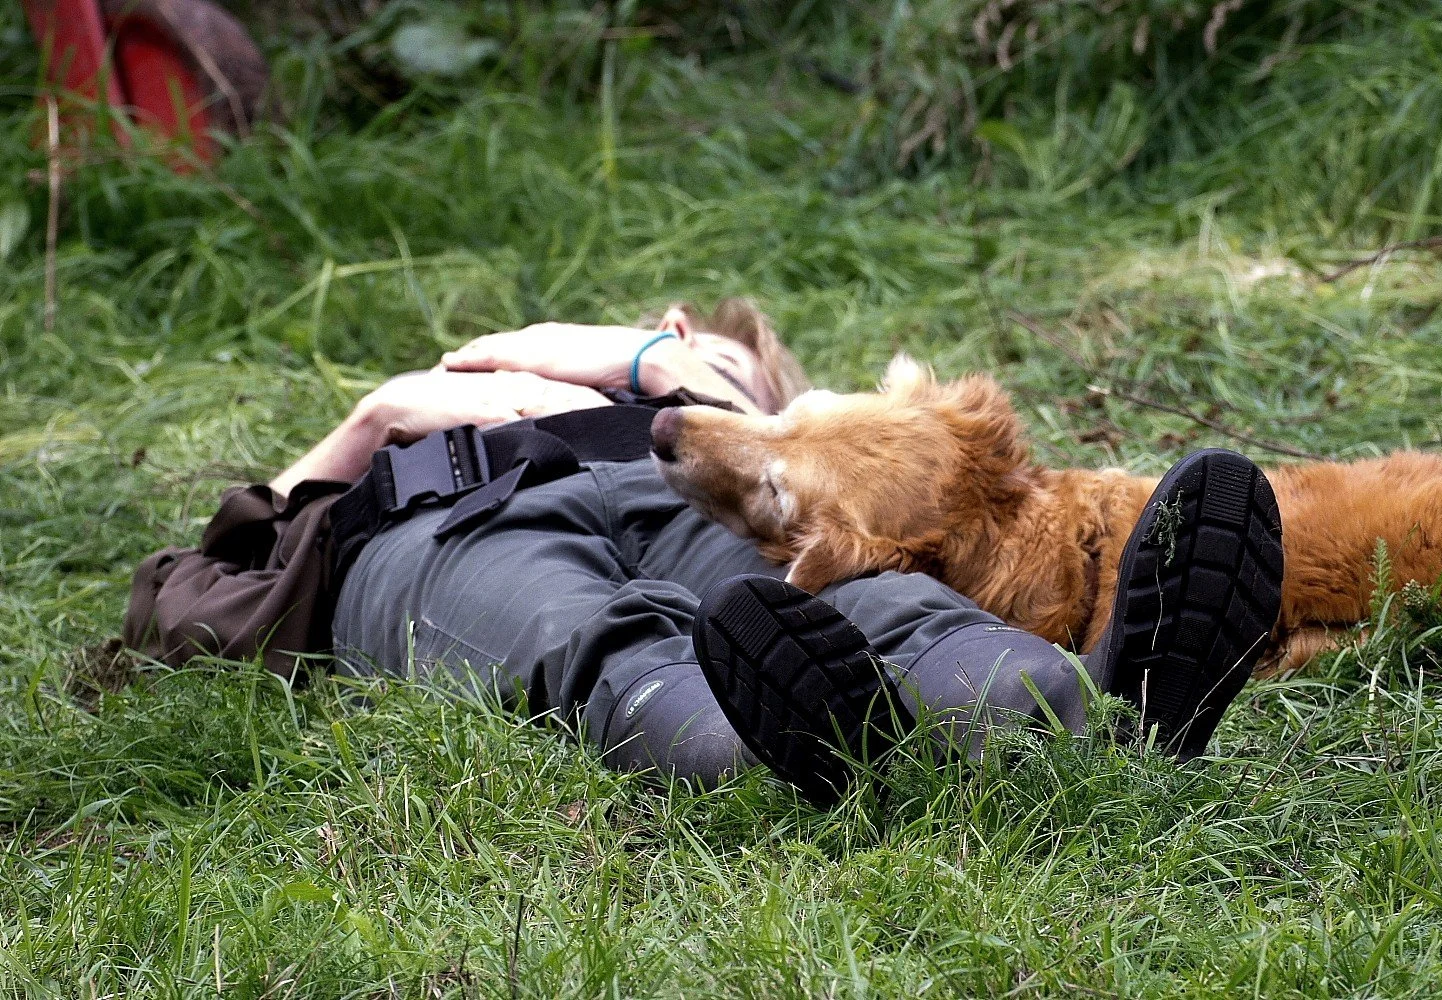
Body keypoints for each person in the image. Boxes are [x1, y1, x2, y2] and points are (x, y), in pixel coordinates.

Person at [168, 300, 1289, 804]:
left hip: (680, 508)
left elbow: (816, 460)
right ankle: (782, 742)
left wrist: (669, 369)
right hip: (440, 528)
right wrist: (380, 417)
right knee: (600, 641)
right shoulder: (392, 447)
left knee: (874, 600)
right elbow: (209, 577)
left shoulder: (730, 419)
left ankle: (1101, 700)